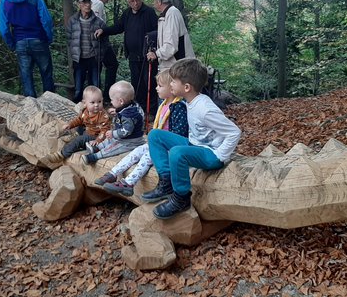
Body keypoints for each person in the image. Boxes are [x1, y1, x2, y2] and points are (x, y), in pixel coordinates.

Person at [143, 58, 241, 219]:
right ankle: (166, 181)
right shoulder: (189, 101)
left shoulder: (205, 109)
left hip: (211, 154)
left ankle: (181, 198)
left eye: (174, 81)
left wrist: (221, 155)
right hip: (195, 145)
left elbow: (234, 132)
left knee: (177, 152)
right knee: (155, 135)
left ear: (186, 87)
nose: (171, 84)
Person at [95, 69, 188, 197]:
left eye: (160, 86)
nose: (156, 88)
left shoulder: (179, 107)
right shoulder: (164, 103)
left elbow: (180, 134)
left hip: (169, 147)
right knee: (136, 152)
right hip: (158, 143)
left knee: (147, 157)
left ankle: (128, 183)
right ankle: (112, 174)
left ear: (171, 88)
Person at [95, 0, 159, 115]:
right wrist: (104, 31)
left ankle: (151, 112)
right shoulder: (127, 13)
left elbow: (158, 31)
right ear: (128, 2)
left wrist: (154, 49)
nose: (135, 3)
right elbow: (118, 27)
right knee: (136, 85)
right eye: (132, 1)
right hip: (133, 56)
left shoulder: (149, 12)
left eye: (137, 0)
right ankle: (139, 110)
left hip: (147, 55)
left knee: (149, 84)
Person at [0, 0, 55, 98]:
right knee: (46, 74)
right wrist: (48, 37)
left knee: (26, 76)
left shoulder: (4, 1)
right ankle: (51, 103)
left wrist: (12, 44)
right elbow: (46, 20)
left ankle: (31, 108)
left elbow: (3, 28)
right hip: (38, 39)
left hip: (20, 42)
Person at [81, 80, 144, 165]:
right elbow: (129, 115)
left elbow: (126, 131)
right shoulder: (132, 106)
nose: (111, 102)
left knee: (113, 147)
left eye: (112, 100)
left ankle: (94, 157)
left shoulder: (128, 115)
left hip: (130, 141)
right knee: (109, 140)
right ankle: (97, 147)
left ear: (121, 101)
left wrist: (113, 133)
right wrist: (117, 112)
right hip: (125, 137)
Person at [44, 86, 110, 164]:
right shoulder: (85, 111)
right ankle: (81, 144)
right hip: (87, 132)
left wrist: (98, 140)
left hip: (95, 136)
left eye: (99, 102)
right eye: (92, 102)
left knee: (79, 139)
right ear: (85, 103)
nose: (96, 105)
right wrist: (70, 125)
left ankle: (61, 155)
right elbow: (78, 120)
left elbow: (104, 130)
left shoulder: (103, 115)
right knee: (79, 127)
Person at [66, 0, 105, 103]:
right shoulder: (72, 21)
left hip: (94, 58)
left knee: (96, 87)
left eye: (89, 2)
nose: (87, 5)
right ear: (79, 4)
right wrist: (74, 52)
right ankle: (77, 112)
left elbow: (105, 41)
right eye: (84, 2)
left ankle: (97, 112)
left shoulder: (98, 21)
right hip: (79, 59)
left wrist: (100, 55)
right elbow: (69, 38)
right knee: (78, 89)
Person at [146, 0, 194, 72]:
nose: (153, 3)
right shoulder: (167, 14)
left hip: (178, 67)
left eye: (154, 0)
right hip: (173, 66)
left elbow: (171, 46)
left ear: (159, 1)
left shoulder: (172, 14)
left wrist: (156, 54)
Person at [90, 0, 118, 102]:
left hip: (94, 42)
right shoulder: (98, 3)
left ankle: (95, 96)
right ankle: (105, 95)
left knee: (96, 68)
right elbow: (96, 22)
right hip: (100, 42)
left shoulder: (90, 1)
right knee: (112, 65)